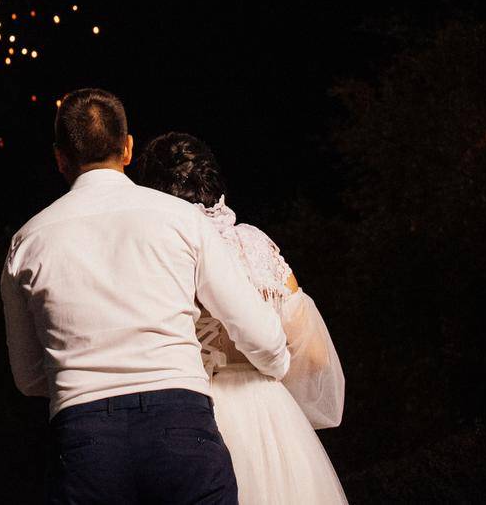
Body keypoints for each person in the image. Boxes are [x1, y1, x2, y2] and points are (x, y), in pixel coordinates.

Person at [1, 89, 291, 504]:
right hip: (183, 430)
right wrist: (277, 364)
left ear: (60, 157)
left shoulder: (26, 242)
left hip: (85, 444)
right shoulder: (181, 219)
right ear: (128, 148)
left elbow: (29, 378)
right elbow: (258, 332)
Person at [138, 132, 348, 505]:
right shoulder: (252, 244)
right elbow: (314, 356)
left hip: (189, 417)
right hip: (266, 415)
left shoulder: (158, 258)